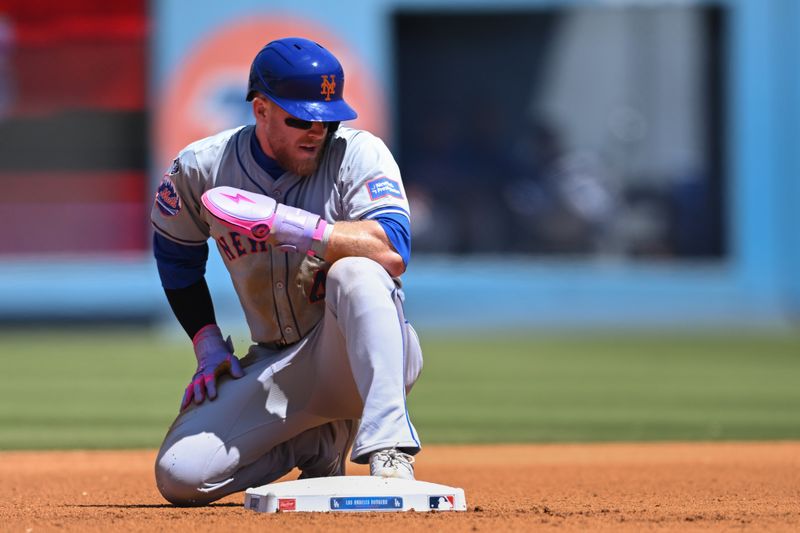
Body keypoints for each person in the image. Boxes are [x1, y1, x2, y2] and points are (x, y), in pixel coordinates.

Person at [150, 37, 422, 506]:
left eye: (327, 117)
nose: (317, 130)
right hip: (276, 364)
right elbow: (176, 258)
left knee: (357, 272)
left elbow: (393, 249)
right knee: (181, 476)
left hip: (356, 357)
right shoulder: (203, 167)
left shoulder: (357, 154)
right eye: (301, 118)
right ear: (261, 110)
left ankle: (389, 448)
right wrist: (207, 345)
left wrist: (292, 226)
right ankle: (317, 442)